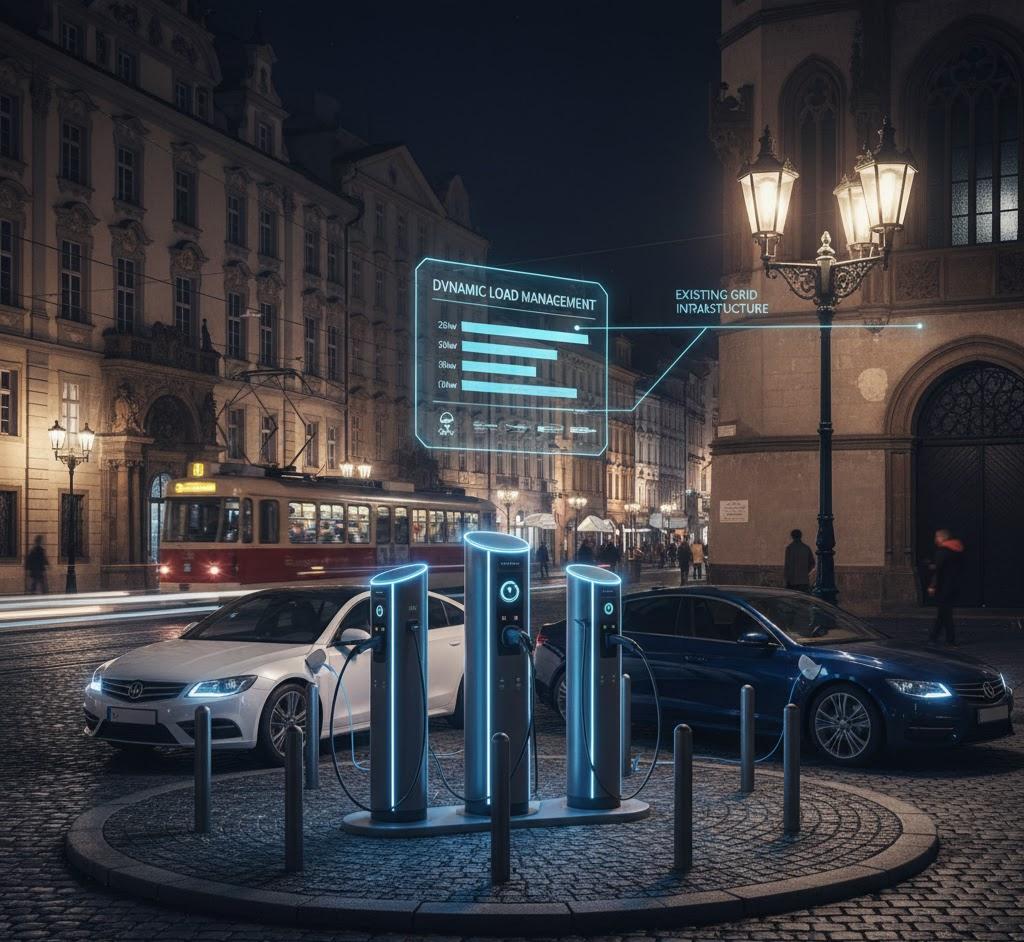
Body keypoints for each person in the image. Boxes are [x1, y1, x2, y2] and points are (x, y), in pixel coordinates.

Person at [928, 528, 964, 645]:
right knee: (943, 613)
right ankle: (935, 637)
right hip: (955, 585)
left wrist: (932, 586)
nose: (935, 540)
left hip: (944, 587)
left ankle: (949, 640)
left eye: (937, 537)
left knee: (945, 614)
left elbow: (938, 571)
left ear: (942, 538)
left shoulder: (942, 552)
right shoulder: (957, 550)